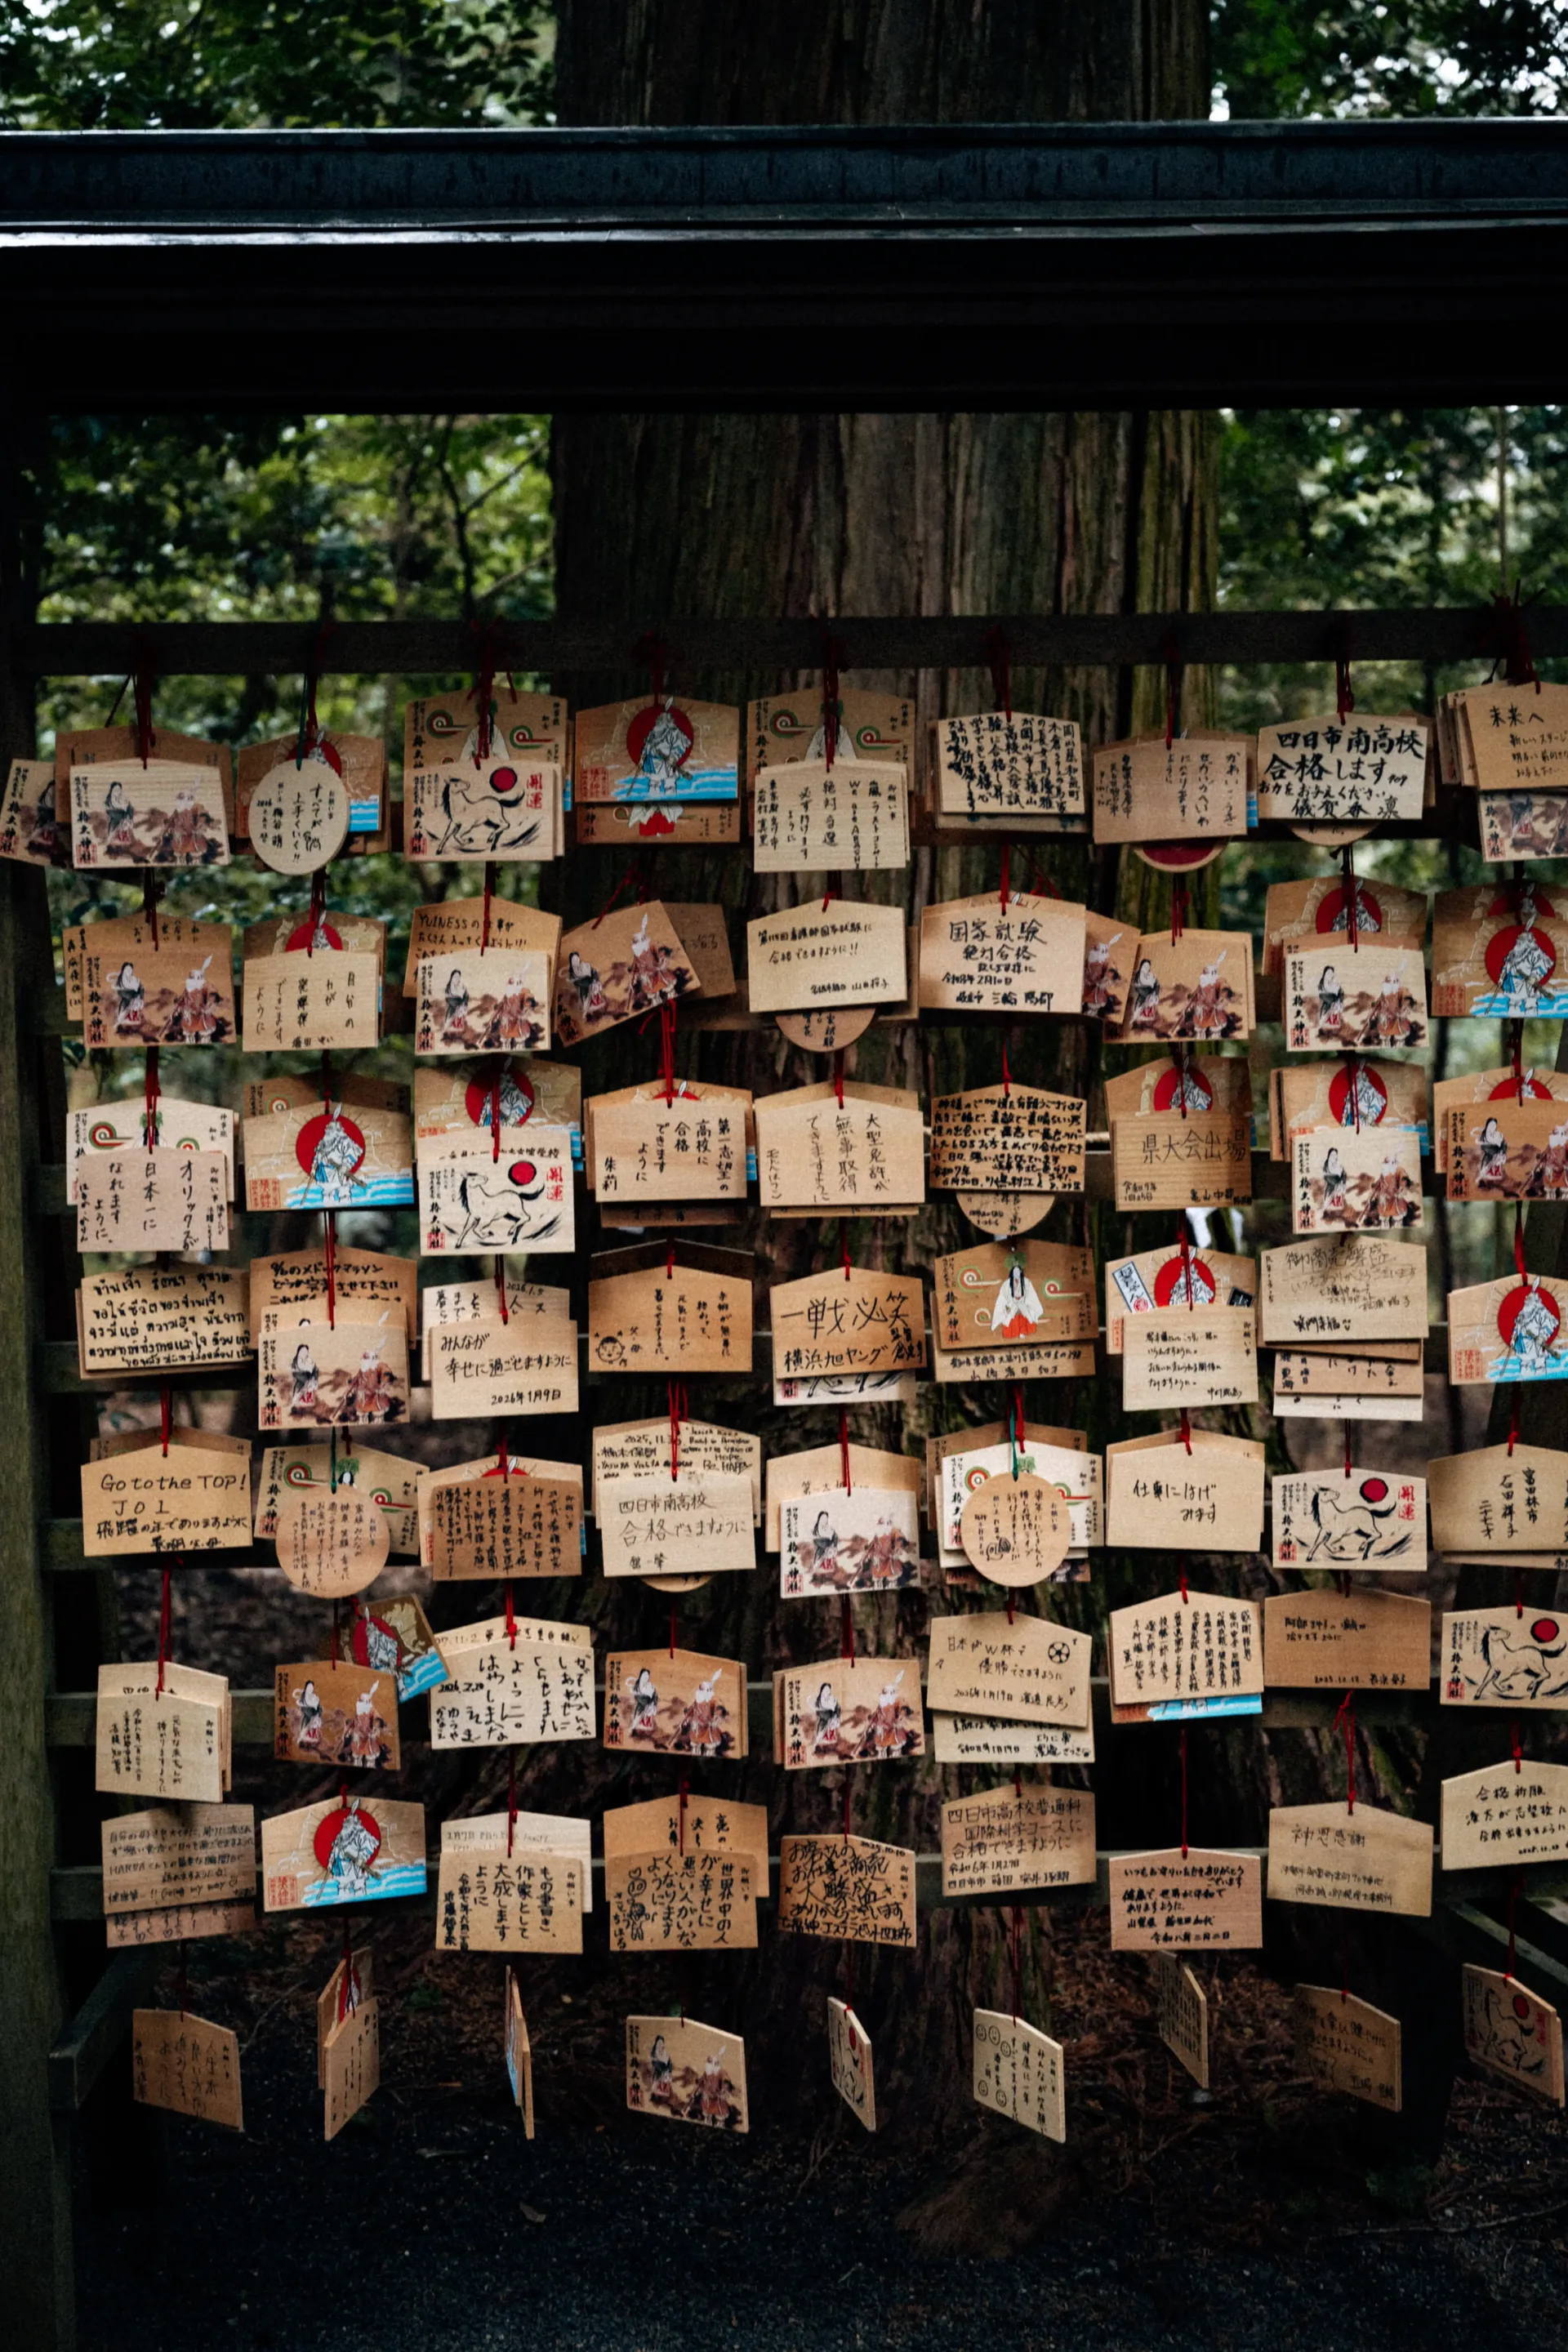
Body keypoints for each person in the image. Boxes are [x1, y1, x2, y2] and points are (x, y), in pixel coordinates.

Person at [310, 1103, 363, 1201]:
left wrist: (346, 1166)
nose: (328, 1132)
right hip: (324, 1173)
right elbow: (318, 1156)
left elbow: (352, 1154)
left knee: (343, 1191)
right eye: (328, 1130)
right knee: (327, 1193)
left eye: (331, 1130)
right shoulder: (323, 1143)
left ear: (337, 1130)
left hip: (338, 1171)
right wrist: (314, 1168)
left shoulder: (344, 1141)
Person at [341, 1343, 397, 1423]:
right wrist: (346, 1393)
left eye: (368, 1359)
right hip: (363, 1396)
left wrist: (385, 1381)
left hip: (375, 1395)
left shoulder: (379, 1367)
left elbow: (386, 1373)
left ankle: (378, 1423)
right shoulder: (362, 1371)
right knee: (362, 1415)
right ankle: (363, 1423)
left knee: (378, 1414)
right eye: (365, 1359)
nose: (366, 1361)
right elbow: (354, 1381)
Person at [990, 1258, 1044, 1339]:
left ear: (1021, 1272)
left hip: (1023, 1303)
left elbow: (1031, 1295)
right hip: (1012, 1304)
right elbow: (1002, 1298)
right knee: (1011, 1317)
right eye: (1015, 1272)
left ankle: (1023, 1332)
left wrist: (1026, 1303)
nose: (1016, 1274)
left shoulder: (1026, 1282)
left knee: (1025, 1315)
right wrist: (1007, 1306)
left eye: (1018, 1272)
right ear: (1012, 1273)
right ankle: (1015, 1333)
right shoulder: (1006, 1284)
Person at [173, 956, 218, 1043]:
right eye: (193, 977)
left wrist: (211, 1001)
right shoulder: (188, 989)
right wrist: (178, 1006)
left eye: (198, 977)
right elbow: (182, 1000)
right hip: (190, 1013)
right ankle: (189, 1039)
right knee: (188, 1029)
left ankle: (204, 1039)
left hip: (202, 1013)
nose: (195, 980)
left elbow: (212, 993)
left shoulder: (205, 986)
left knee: (205, 1030)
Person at [102, 777, 138, 857]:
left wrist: (128, 818)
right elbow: (111, 813)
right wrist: (122, 816)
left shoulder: (124, 800)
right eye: (115, 790)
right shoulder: (108, 802)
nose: (117, 792)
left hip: (124, 823)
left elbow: (130, 809)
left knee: (123, 838)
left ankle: (121, 849)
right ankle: (112, 850)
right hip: (115, 823)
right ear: (112, 790)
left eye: (119, 790)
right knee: (113, 838)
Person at [109, 960, 145, 1036]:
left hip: (135, 1001)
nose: (128, 971)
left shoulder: (135, 980)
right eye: (127, 969)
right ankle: (121, 1024)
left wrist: (139, 996)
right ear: (123, 970)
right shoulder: (121, 980)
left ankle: (131, 1024)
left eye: (130, 969)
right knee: (123, 1012)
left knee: (135, 1012)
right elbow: (120, 992)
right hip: (126, 1000)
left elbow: (141, 988)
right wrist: (133, 996)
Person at [1127, 956, 1160, 1032]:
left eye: (1147, 966)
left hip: (1151, 994)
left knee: (1147, 1005)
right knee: (1140, 1005)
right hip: (1145, 993)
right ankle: (1135, 1019)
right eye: (1144, 966)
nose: (1146, 968)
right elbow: (1136, 985)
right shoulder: (1138, 975)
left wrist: (1155, 994)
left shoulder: (1150, 976)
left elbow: (1156, 984)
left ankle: (1140, 1019)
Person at [1475, 1116, 1508, 1187]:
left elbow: (1504, 1144)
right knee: (1484, 1169)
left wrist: (1502, 1152)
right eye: (1491, 1125)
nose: (1492, 1127)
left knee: (1493, 1172)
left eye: (1494, 1125)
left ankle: (1491, 1184)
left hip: (1498, 1155)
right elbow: (1483, 1146)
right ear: (1487, 1125)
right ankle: (1482, 1182)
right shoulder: (1484, 1135)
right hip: (1489, 1155)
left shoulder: (1499, 1135)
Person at [289, 1339, 320, 1413]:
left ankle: (300, 1405)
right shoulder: (298, 1358)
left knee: (304, 1386)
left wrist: (312, 1368)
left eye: (306, 1352)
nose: (305, 1353)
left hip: (305, 1375)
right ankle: (296, 1405)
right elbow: (301, 1366)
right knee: (302, 1386)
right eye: (303, 1351)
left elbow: (310, 1365)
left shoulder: (306, 1358)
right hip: (300, 1374)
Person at [810, 1680, 841, 1755]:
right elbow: (818, 1711)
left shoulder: (832, 1699)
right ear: (822, 1690)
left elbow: (837, 1707)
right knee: (821, 1734)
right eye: (825, 1690)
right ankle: (819, 1748)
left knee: (831, 1735)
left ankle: (827, 1747)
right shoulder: (820, 1700)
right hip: (824, 1720)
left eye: (828, 1690)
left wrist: (835, 1715)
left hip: (832, 1720)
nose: (827, 1691)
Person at [627, 1666, 659, 1738]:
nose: (646, 1677)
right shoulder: (637, 1686)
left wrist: (653, 1704)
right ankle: (633, 1731)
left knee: (647, 1722)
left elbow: (655, 1695)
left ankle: (643, 1734)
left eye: (647, 1675)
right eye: (644, 1675)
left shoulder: (650, 1686)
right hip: (641, 1706)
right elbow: (637, 1697)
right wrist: (646, 1702)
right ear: (641, 1676)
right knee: (637, 1720)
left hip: (650, 1706)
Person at [293, 1677, 324, 1752]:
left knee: (312, 1723)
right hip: (311, 1714)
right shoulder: (305, 1737)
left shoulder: (305, 1737)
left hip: (311, 1714)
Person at [1315, 963, 1344, 1040]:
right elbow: (1322, 996)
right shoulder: (1321, 985)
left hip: (1335, 1007)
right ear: (1324, 974)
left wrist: (1338, 1001)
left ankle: (1332, 1033)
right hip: (1327, 1006)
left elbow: (1341, 992)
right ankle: (1325, 1033)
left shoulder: (1335, 984)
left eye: (1331, 973)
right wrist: (1334, 999)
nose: (1330, 975)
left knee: (1334, 1022)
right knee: (1325, 1021)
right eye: (1328, 973)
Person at [442, 968, 470, 1043]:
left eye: (458, 977)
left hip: (460, 1010)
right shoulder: (448, 988)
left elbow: (466, 996)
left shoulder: (461, 986)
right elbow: (449, 999)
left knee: (459, 1024)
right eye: (455, 976)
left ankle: (457, 1037)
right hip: (452, 1009)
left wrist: (463, 1002)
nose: (457, 978)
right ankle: (447, 1036)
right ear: (452, 977)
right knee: (449, 1023)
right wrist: (459, 1003)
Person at [1320, 1146, 1348, 1220]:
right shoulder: (1328, 1163)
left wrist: (1342, 1173)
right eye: (1332, 1155)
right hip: (1332, 1181)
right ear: (1329, 1155)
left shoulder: (1337, 1163)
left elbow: (1342, 1172)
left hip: (1338, 1183)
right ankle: (1327, 1212)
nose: (1334, 1157)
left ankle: (1334, 1213)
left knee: (1337, 1197)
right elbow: (1330, 1173)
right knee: (1330, 1196)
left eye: (1335, 1155)